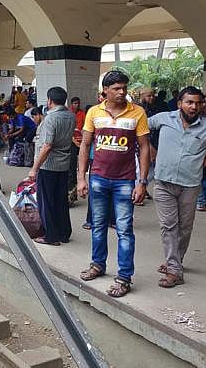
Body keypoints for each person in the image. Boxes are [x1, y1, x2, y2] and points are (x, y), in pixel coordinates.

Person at [149, 87, 206, 288]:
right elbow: (141, 129)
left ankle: (175, 260)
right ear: (179, 104)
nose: (193, 107)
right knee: (168, 225)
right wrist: (151, 151)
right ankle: (174, 270)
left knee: (184, 226)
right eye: (189, 102)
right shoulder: (163, 118)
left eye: (198, 103)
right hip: (163, 182)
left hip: (190, 185)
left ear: (202, 105)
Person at [77, 71, 150, 298]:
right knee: (97, 225)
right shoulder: (94, 112)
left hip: (125, 181)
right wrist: (81, 177)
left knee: (124, 229)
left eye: (124, 88)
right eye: (117, 88)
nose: (122, 92)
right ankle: (97, 265)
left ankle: (124, 277)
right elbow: (85, 144)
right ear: (105, 91)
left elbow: (144, 148)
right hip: (98, 177)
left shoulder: (137, 113)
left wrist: (142, 182)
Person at [26, 87, 75, 245]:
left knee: (46, 201)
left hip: (48, 165)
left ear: (49, 101)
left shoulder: (50, 119)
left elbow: (47, 146)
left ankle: (51, 236)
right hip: (64, 164)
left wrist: (34, 168)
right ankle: (63, 232)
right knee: (60, 199)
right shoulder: (70, 116)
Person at [68, 97, 86, 205]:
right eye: (75, 103)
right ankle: (70, 196)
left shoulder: (82, 114)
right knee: (70, 170)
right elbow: (68, 130)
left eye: (78, 103)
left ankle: (73, 195)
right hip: (71, 143)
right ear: (71, 104)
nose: (77, 105)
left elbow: (85, 128)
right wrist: (73, 140)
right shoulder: (69, 114)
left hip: (81, 141)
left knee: (74, 168)